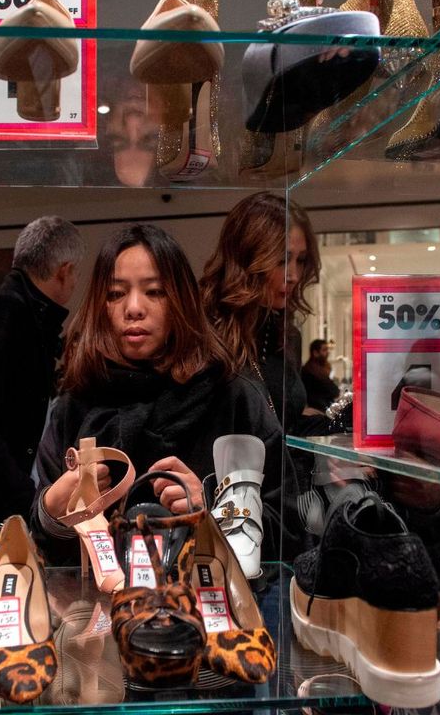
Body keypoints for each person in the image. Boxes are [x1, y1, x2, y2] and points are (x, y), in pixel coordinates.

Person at [29, 223, 296, 564]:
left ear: (180, 299)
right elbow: (47, 557)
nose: (134, 308)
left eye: (154, 292)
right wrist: (52, 513)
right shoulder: (76, 404)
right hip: (106, 611)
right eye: (115, 293)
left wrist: (215, 510)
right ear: (101, 305)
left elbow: (288, 534)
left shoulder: (232, 397)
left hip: (209, 609)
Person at [0, 216, 84, 522]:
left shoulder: (19, 310)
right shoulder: (9, 310)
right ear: (65, 271)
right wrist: (24, 495)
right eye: (75, 276)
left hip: (4, 494)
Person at [199, 192, 322, 432]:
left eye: (301, 260)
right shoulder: (204, 331)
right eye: (281, 260)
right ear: (247, 257)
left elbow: (286, 424)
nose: (294, 275)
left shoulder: (286, 336)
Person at [301, 338, 340, 411]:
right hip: (320, 410)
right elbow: (332, 390)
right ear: (315, 353)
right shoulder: (312, 371)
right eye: (324, 350)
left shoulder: (321, 369)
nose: (327, 353)